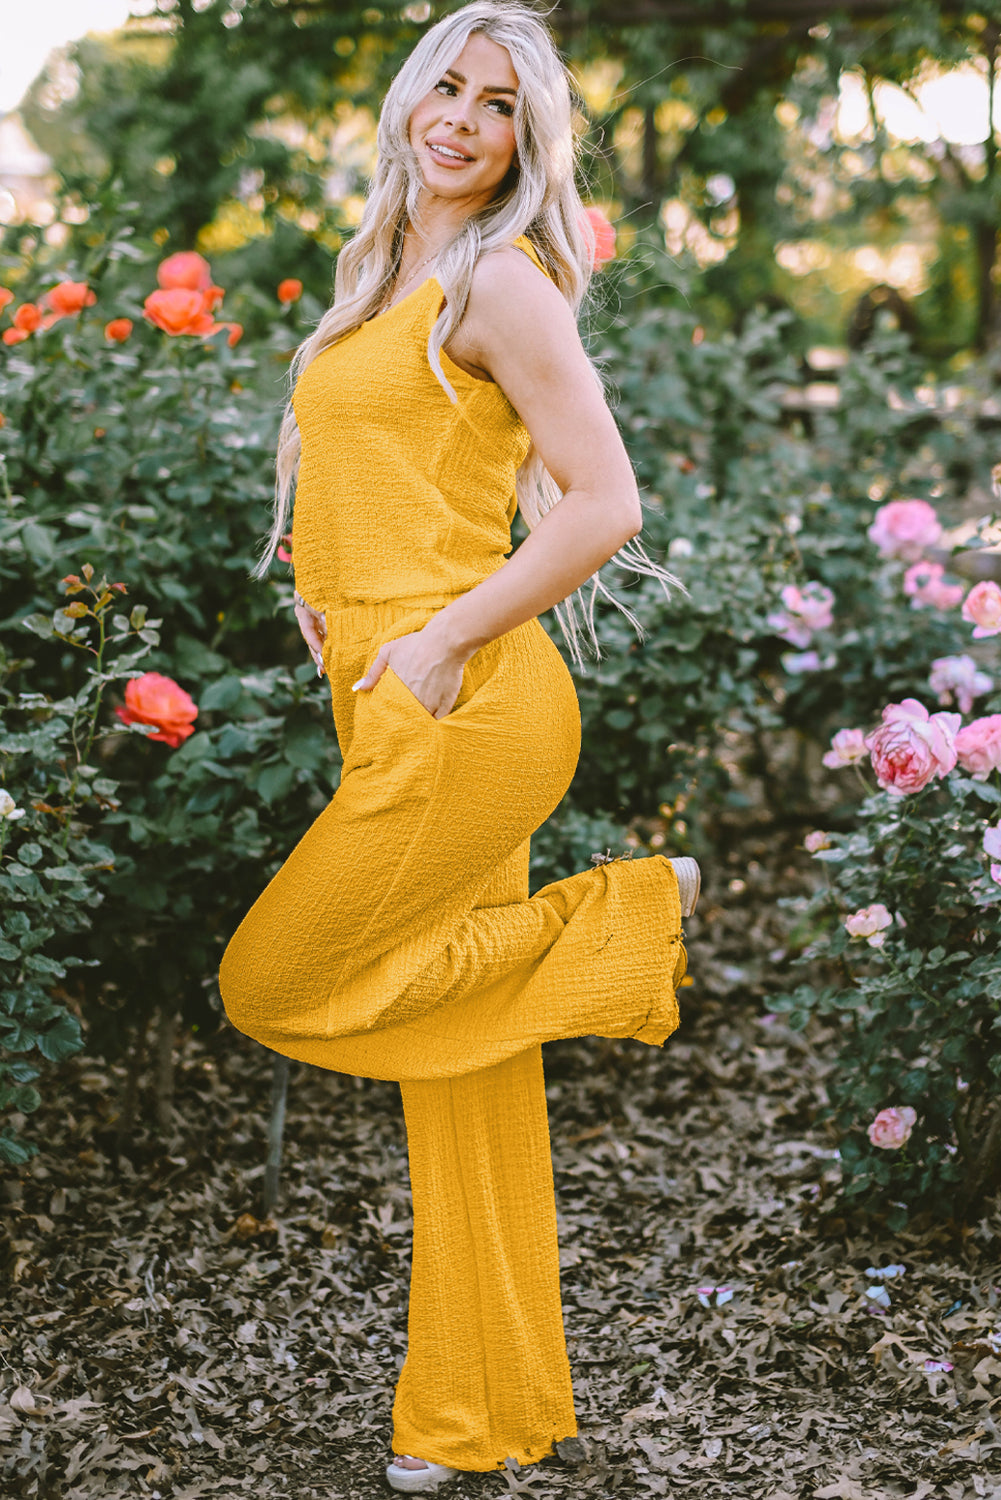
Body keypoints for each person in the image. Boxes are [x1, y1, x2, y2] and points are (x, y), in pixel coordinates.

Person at [219, 1, 701, 1490]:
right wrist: (333, 606)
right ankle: (472, 1416)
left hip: (470, 698)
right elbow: (394, 481)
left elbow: (602, 501)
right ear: (410, 102)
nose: (461, 116)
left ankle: (629, 910)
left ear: (523, 142)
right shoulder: (384, 276)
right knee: (470, 1075)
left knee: (274, 980)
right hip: (389, 688)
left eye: (497, 103)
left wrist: (427, 636)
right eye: (447, 84)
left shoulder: (501, 280)